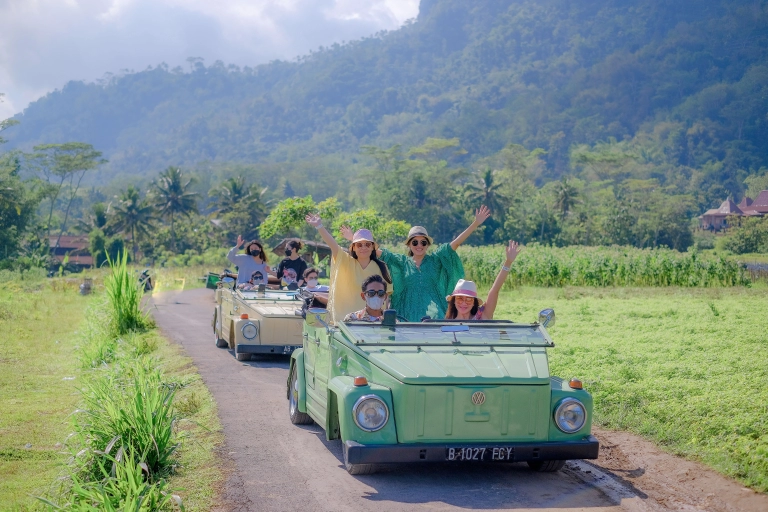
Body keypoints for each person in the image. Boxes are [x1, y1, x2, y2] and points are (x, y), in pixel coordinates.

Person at [340, 206, 491, 322]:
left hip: (434, 315)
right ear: (409, 244)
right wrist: (353, 238)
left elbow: (455, 244)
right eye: (415, 242)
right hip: (404, 314)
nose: (419, 245)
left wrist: (475, 223)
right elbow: (372, 248)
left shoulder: (436, 259)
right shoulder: (401, 262)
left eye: (423, 242)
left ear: (427, 244)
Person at [305, 214, 392, 323]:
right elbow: (333, 245)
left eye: (367, 244)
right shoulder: (346, 261)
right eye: (359, 245)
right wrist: (319, 226)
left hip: (374, 322)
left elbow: (386, 296)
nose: (363, 247)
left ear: (372, 247)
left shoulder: (382, 266)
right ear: (353, 248)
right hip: (345, 322)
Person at [445, 240, 521, 320]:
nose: (464, 303)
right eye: (460, 299)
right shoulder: (447, 322)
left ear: (474, 303)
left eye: (468, 299)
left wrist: (508, 262)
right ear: (454, 301)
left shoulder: (482, 317)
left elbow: (495, 290)